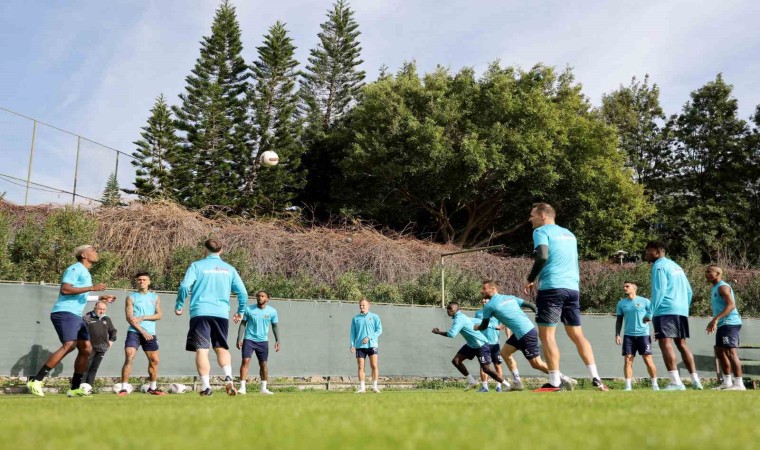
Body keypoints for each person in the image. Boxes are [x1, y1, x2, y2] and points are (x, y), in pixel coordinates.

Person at [522, 203, 607, 391]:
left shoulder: (541, 231)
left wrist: (530, 278)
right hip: (572, 289)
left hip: (552, 288)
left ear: (543, 216)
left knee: (547, 336)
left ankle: (554, 382)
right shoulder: (569, 234)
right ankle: (596, 378)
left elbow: (542, 256)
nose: (530, 219)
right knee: (577, 334)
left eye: (532, 215)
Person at [26, 245, 114, 397]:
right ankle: (36, 380)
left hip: (75, 315)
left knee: (86, 348)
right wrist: (92, 288)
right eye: (92, 250)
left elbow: (80, 295)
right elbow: (65, 290)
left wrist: (99, 297)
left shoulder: (85, 272)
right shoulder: (75, 269)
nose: (96, 252)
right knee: (70, 345)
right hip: (64, 312)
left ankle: (74, 388)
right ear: (84, 255)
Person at [176, 239, 248, 396]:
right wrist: (241, 311)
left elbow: (185, 286)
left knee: (202, 349)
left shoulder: (196, 266)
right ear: (221, 250)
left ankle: (206, 387)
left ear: (205, 249)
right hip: (221, 313)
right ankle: (228, 377)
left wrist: (179, 304)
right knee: (221, 347)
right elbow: (243, 293)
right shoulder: (229, 269)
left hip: (200, 312)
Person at [477, 280, 576, 392]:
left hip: (526, 333)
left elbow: (483, 326)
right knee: (505, 353)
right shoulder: (510, 297)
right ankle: (517, 383)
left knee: (536, 364)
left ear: (492, 289)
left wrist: (476, 327)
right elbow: (531, 305)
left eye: (484, 288)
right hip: (521, 332)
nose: (481, 291)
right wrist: (539, 316)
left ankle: (565, 379)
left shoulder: (489, 305)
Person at [643, 240, 702, 390]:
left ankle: (676, 382)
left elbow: (659, 291)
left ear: (658, 252)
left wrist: (650, 312)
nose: (646, 254)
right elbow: (689, 291)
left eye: (649, 251)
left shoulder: (659, 266)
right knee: (682, 344)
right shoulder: (676, 266)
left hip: (665, 310)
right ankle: (696, 381)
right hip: (680, 310)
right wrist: (683, 308)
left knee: (665, 343)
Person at [432, 302, 510, 392]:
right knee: (456, 361)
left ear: (457, 309)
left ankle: (508, 385)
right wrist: (495, 326)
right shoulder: (463, 317)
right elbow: (478, 321)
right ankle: (472, 381)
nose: (449, 311)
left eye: (451, 309)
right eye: (448, 309)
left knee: (486, 369)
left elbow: (451, 334)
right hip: (471, 345)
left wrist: (438, 332)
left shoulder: (459, 319)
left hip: (481, 344)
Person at [119, 272, 165, 396]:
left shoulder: (155, 297)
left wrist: (143, 317)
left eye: (144, 280)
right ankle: (123, 388)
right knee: (129, 356)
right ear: (137, 282)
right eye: (139, 280)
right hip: (134, 332)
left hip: (150, 333)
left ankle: (153, 388)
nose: (142, 282)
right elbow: (129, 318)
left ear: (149, 282)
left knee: (154, 360)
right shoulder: (131, 298)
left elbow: (159, 315)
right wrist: (142, 331)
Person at [705, 265, 745, 391]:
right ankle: (727, 383)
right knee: (720, 351)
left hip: (730, 323)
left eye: (709, 272)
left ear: (718, 274)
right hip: (723, 323)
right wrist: (715, 320)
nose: (706, 274)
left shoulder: (723, 287)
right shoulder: (715, 288)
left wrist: (715, 319)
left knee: (730, 352)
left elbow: (731, 305)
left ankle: (739, 384)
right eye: (706, 272)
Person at [614, 281, 658, 391]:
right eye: (624, 286)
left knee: (648, 360)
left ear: (634, 288)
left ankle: (655, 385)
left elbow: (653, 316)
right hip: (628, 336)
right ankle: (628, 386)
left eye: (627, 286)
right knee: (628, 360)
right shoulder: (621, 303)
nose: (625, 288)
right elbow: (619, 321)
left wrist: (656, 331)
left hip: (643, 335)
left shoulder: (645, 301)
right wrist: (617, 334)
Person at [236, 291, 280, 395]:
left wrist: (277, 340)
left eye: (262, 296)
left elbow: (275, 326)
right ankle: (242, 388)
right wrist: (239, 338)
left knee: (263, 364)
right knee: (245, 361)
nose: (260, 298)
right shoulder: (249, 309)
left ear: (267, 299)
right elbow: (243, 324)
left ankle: (263, 389)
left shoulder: (272, 311)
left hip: (263, 341)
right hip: (249, 339)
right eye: (258, 296)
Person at [474, 298, 518, 392]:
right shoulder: (478, 313)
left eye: (486, 300)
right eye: (483, 300)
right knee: (483, 366)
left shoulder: (497, 313)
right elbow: (476, 326)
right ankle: (485, 387)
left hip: (495, 344)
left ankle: (499, 386)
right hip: (482, 344)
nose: (484, 301)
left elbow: (505, 325)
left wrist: (508, 337)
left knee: (497, 365)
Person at [349, 298, 382, 393]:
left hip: (372, 345)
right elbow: (353, 333)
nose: (362, 307)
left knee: (374, 365)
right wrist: (352, 345)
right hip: (360, 346)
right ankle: (362, 388)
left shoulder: (375, 317)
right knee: (361, 367)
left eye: (363, 305)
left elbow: (379, 330)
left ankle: (374, 387)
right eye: (360, 305)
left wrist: (369, 337)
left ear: (368, 305)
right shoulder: (355, 319)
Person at [82, 301, 117, 387]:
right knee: (85, 367)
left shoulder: (106, 319)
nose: (102, 311)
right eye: (100, 309)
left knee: (94, 368)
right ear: (95, 308)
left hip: (102, 347)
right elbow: (80, 331)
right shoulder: (87, 317)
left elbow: (113, 331)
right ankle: (81, 386)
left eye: (104, 309)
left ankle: (89, 387)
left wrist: (111, 341)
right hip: (89, 347)